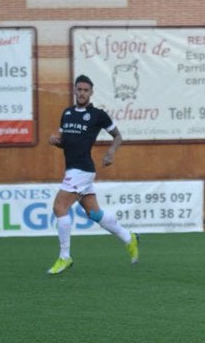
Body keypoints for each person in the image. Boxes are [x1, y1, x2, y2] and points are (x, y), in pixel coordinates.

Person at [46, 75, 139, 274]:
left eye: (85, 90)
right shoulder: (67, 113)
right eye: (79, 89)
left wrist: (111, 152)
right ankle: (128, 238)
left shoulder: (98, 115)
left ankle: (65, 257)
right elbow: (67, 141)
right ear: (74, 90)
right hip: (73, 168)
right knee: (94, 213)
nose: (81, 93)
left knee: (59, 207)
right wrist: (57, 141)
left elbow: (118, 136)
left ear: (91, 92)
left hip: (82, 169)